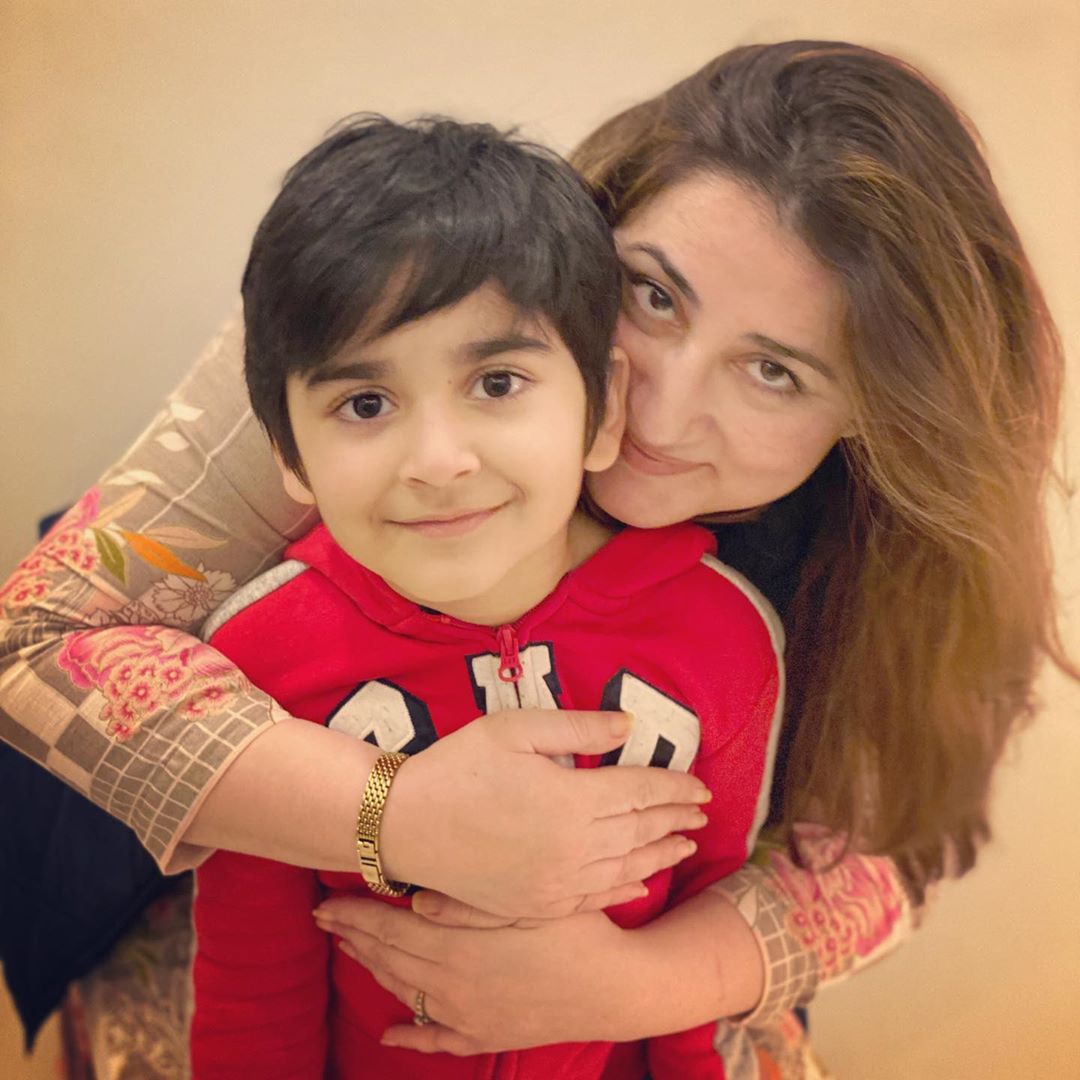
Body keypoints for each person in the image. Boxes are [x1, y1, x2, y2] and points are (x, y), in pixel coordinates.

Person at [0, 39, 1072, 1079]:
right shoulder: (394, 306)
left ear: (875, 420)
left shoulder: (900, 545)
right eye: (653, 296)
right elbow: (31, 642)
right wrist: (400, 816)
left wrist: (631, 986)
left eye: (775, 372)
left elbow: (895, 844)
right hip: (236, 909)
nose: (660, 401)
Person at [190, 113, 783, 1080]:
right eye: (365, 405)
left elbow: (705, 903)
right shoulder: (260, 655)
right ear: (290, 455)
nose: (438, 461)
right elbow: (254, 984)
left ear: (602, 405)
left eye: (497, 382)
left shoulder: (724, 637)